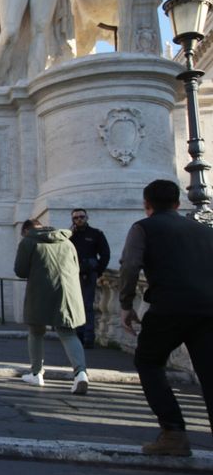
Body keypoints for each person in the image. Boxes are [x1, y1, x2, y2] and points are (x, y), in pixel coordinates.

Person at [119, 180, 213, 457]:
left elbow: (130, 266)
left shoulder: (143, 228)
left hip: (168, 307)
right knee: (209, 374)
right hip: (208, 310)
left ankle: (173, 431)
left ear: (146, 205)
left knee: (148, 362)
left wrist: (126, 304)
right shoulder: (205, 231)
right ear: (178, 203)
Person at [14, 218, 89, 394]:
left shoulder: (29, 241)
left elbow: (20, 271)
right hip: (67, 292)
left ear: (26, 231)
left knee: (36, 331)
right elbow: (76, 267)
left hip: (40, 291)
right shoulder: (67, 241)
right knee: (68, 333)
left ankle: (36, 373)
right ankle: (81, 374)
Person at [70, 208, 110, 348]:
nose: (79, 219)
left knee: (87, 305)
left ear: (87, 217)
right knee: (75, 306)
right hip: (73, 275)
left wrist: (98, 270)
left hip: (89, 274)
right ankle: (78, 335)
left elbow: (105, 253)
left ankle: (88, 337)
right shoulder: (70, 236)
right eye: (76, 218)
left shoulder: (95, 234)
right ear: (73, 220)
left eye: (82, 217)